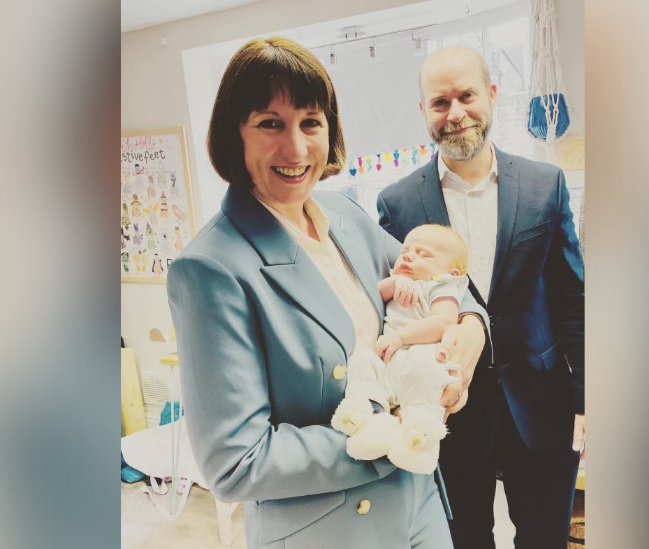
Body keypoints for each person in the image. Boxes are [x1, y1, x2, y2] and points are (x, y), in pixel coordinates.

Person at [167, 37, 489, 549]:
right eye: (270, 123)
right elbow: (235, 461)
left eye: (310, 122)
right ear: (236, 133)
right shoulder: (210, 268)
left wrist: (471, 327)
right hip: (331, 529)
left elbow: (443, 277)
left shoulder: (347, 216)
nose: (295, 149)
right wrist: (395, 435)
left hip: (419, 502)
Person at [377, 46, 585, 549]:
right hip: (446, 414)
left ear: (491, 96)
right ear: (423, 112)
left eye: (466, 95)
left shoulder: (543, 185)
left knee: (544, 540)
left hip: (541, 406)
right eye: (439, 102)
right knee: (462, 540)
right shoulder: (396, 203)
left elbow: (572, 297)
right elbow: (389, 305)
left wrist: (588, 399)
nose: (455, 113)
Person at [332, 224, 471, 475]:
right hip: (388, 358)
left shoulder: (441, 286)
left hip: (420, 355)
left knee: (425, 368)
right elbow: (365, 299)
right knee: (362, 361)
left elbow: (444, 322)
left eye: (423, 254)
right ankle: (368, 418)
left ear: (450, 272)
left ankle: (418, 440)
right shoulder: (398, 281)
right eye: (406, 250)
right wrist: (393, 282)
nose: (408, 255)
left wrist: (400, 337)